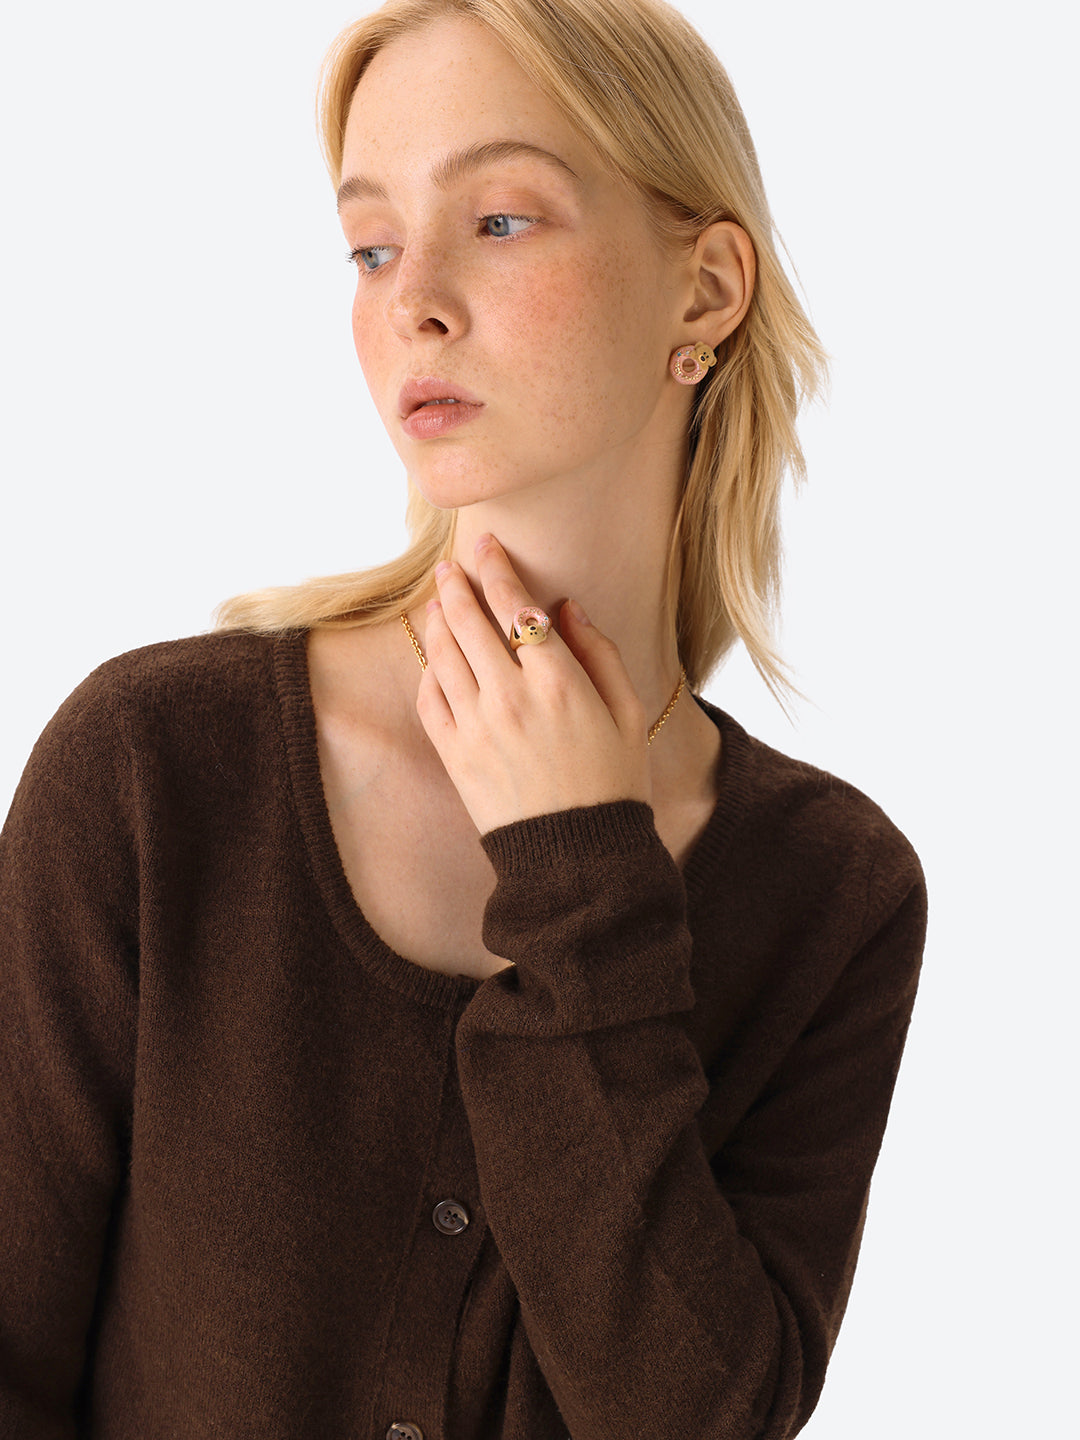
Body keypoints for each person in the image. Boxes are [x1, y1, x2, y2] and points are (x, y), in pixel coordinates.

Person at [0, 0, 926, 1435]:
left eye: (499, 220)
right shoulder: (151, 770)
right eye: (372, 247)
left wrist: (581, 869)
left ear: (705, 291)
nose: (412, 301)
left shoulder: (832, 892)